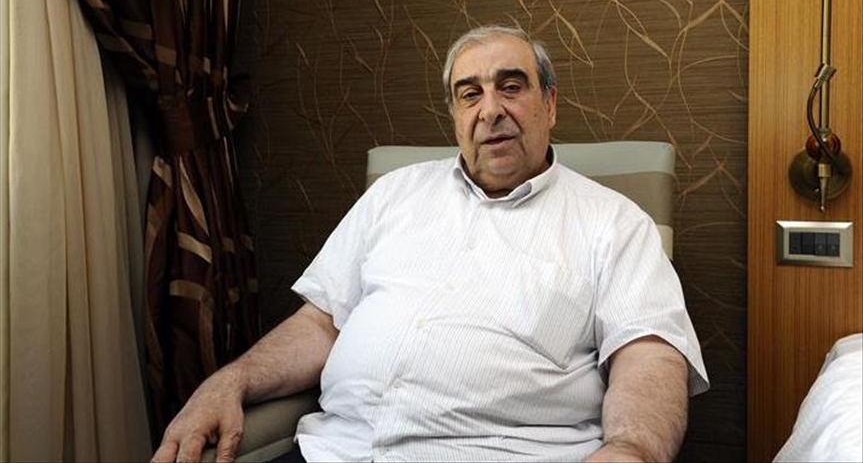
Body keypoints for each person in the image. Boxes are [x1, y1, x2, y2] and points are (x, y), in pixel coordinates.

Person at [151, 25, 709, 463]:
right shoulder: (394, 193)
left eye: (511, 86)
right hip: (337, 452)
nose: (491, 109)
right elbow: (322, 322)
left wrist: (631, 448)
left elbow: (650, 353)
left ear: (550, 104)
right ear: (455, 115)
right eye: (470, 94)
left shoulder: (614, 223)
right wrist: (231, 380)